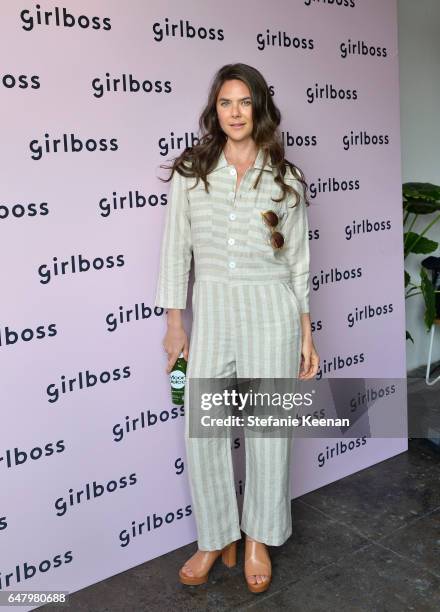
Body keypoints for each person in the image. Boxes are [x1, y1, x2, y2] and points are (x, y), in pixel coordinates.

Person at [154, 63, 319, 594]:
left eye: (245, 102)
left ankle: (257, 539)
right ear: (215, 110)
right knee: (205, 430)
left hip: (272, 311)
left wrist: (306, 333)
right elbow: (176, 252)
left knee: (269, 431)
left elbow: (299, 263)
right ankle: (214, 536)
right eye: (226, 103)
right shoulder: (192, 172)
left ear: (259, 108)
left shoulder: (285, 177)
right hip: (216, 313)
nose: (235, 113)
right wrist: (175, 324)